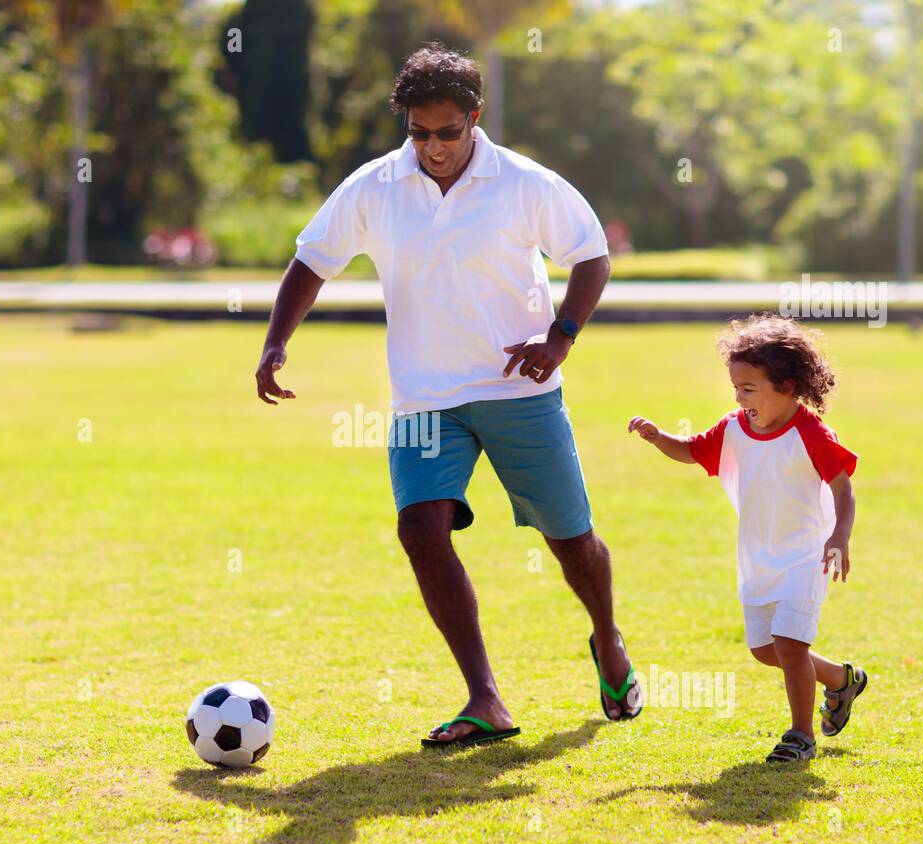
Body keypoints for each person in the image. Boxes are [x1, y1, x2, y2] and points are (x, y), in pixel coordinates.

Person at [256, 42, 640, 748]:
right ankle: (484, 698)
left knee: (572, 542)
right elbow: (311, 261)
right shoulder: (374, 186)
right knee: (419, 531)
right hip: (423, 397)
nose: (432, 147)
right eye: (418, 132)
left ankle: (608, 639)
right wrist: (277, 341)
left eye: (447, 132)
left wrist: (560, 338)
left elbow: (591, 256)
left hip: (519, 393)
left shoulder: (524, 182)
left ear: (475, 117)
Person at [627, 313, 868, 763]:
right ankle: (840, 680)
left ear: (788, 387)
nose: (740, 397)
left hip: (805, 556)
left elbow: (842, 487)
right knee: (765, 650)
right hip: (758, 556)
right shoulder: (734, 427)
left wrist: (840, 535)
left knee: (791, 647)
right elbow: (692, 450)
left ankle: (800, 737)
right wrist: (659, 438)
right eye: (735, 387)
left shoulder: (810, 432)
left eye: (749, 388)